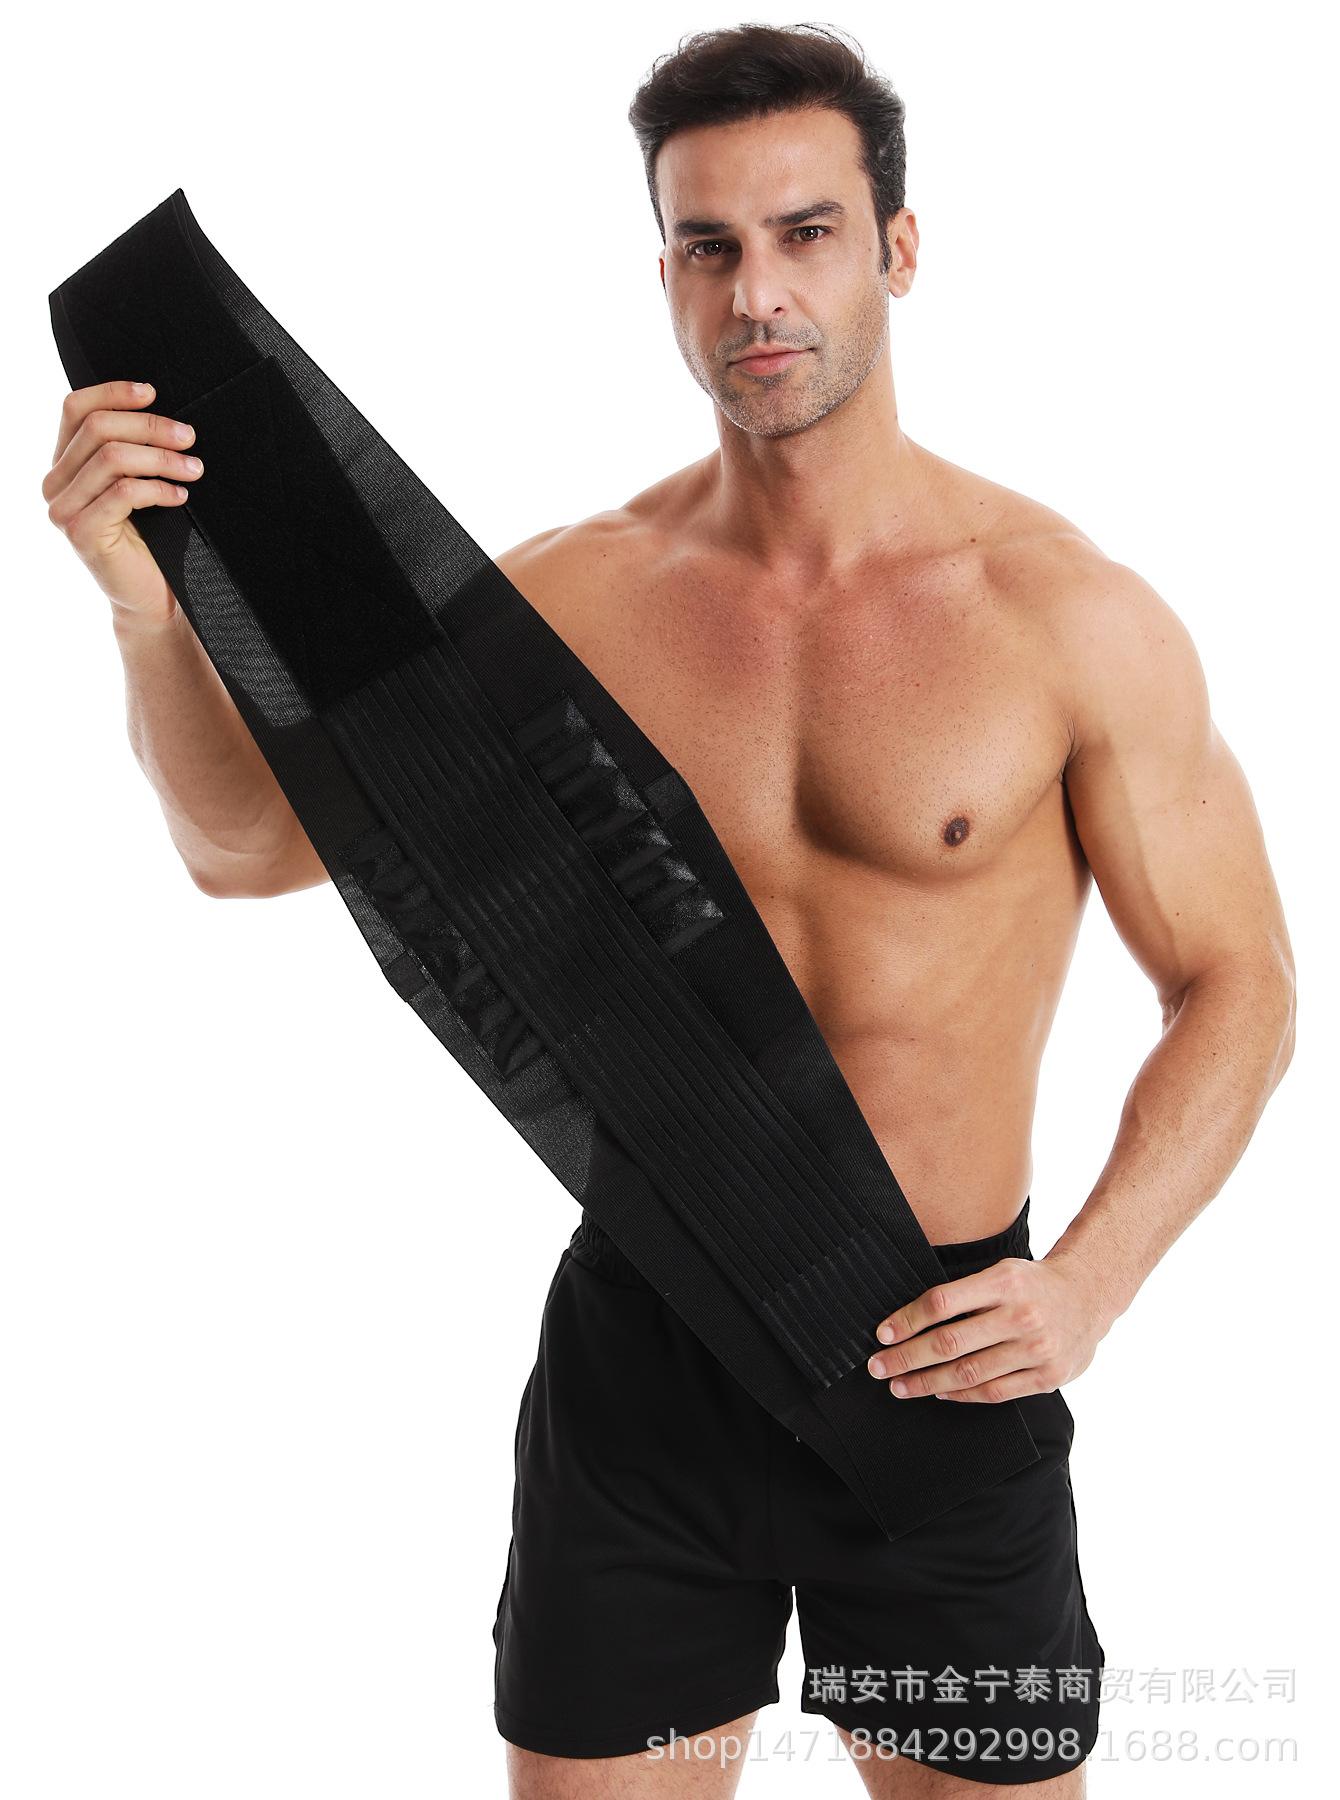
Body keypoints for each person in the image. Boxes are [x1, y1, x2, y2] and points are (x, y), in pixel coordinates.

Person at [40, 21, 1295, 1798]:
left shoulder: (1064, 620)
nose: (756, 291)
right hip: (649, 1360)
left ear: (899, 248)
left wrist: (1088, 1286)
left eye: (806, 233)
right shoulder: (573, 606)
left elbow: (1241, 980)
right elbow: (242, 847)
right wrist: (145, 610)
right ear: (664, 276)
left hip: (946, 1366)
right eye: (708, 245)